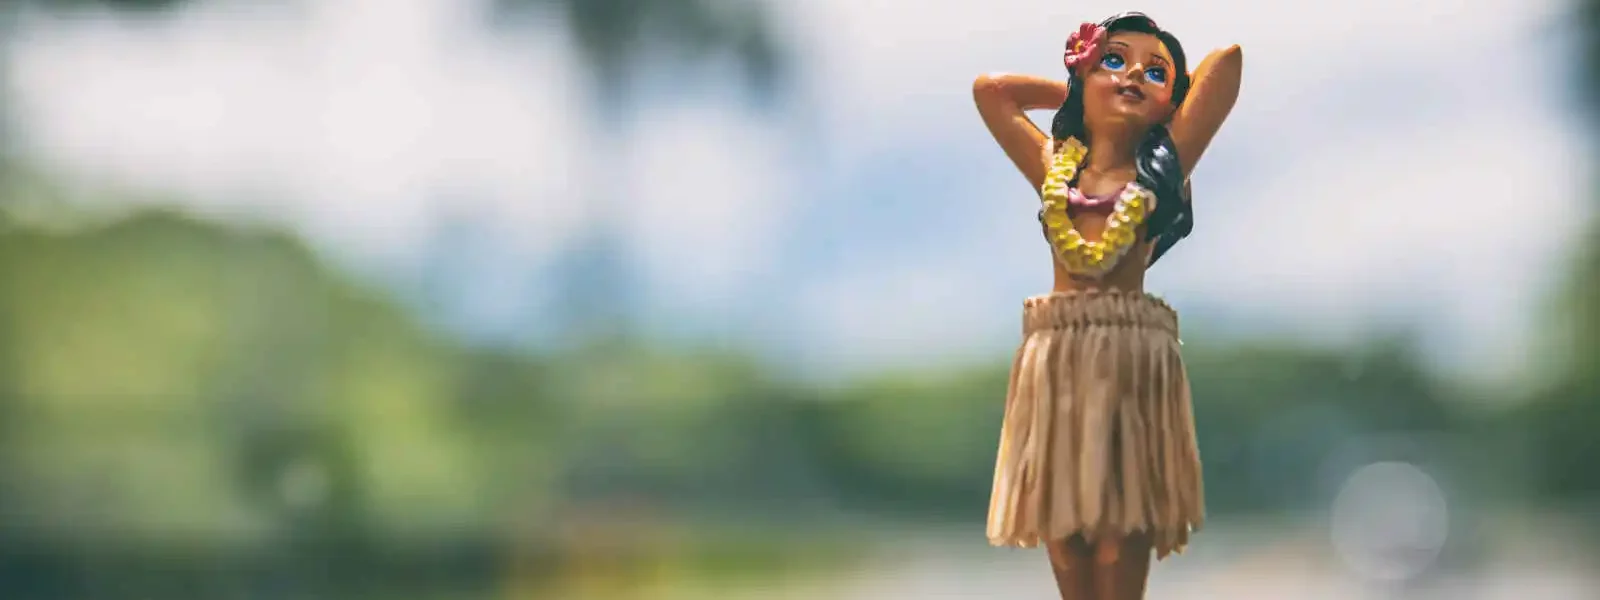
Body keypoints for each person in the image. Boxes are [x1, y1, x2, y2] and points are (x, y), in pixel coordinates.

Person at [972, 11, 1242, 600]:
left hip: (1128, 352)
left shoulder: (1162, 168)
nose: (1132, 76)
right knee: (1067, 533)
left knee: (1121, 530)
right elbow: (991, 92)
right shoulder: (1055, 167)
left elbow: (1229, 63)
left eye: (1155, 71)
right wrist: (1077, 89)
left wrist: (1163, 104)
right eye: (1114, 60)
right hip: (1059, 352)